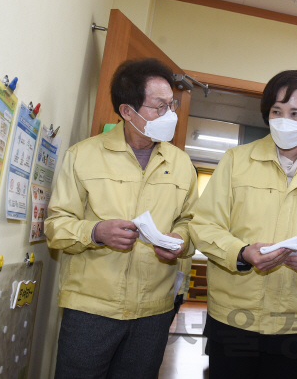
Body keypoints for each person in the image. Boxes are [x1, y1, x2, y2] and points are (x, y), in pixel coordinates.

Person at [189, 70, 297, 379]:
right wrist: (241, 252)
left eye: (295, 113)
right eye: (276, 111)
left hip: (294, 319)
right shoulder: (236, 160)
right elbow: (204, 226)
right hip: (234, 315)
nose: (283, 120)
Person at [45, 58, 198, 379]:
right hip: (90, 309)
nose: (170, 114)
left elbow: (190, 222)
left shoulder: (181, 164)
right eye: (159, 106)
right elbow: (57, 227)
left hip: (153, 310)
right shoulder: (83, 156)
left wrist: (182, 242)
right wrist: (96, 232)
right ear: (127, 112)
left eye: (172, 105)